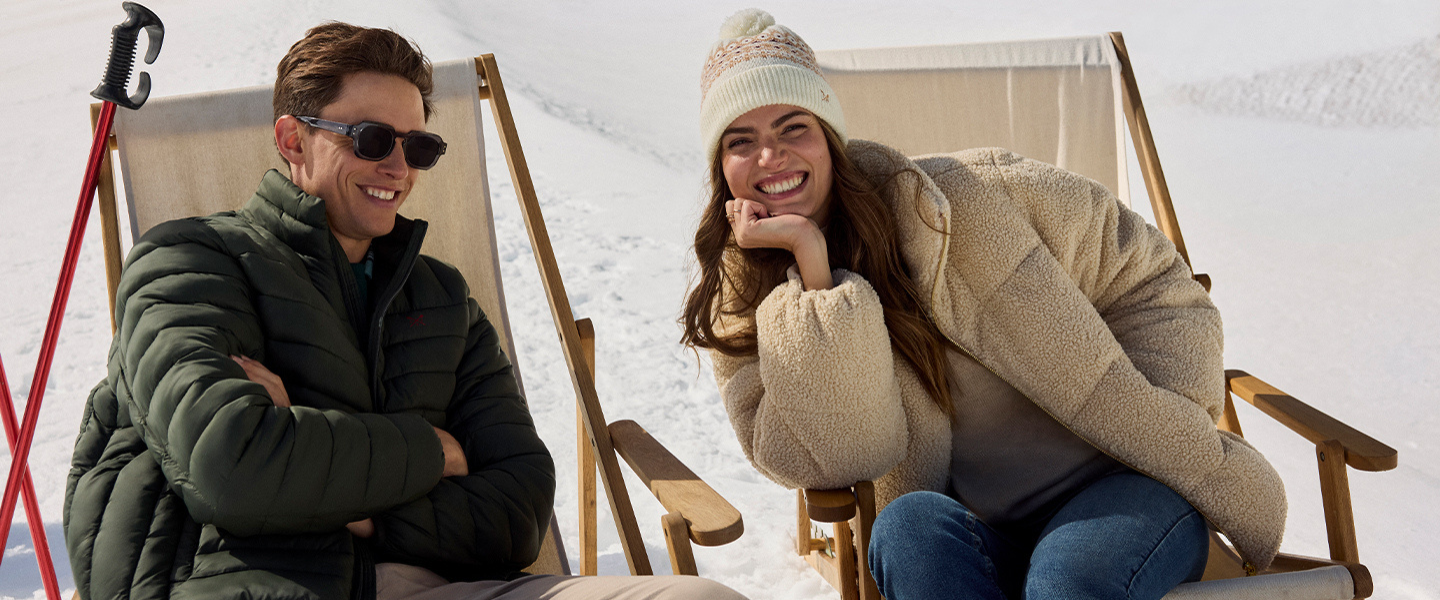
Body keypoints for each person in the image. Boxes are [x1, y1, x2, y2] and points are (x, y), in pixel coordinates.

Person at [65, 22, 743, 600]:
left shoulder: (443, 297)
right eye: (370, 139)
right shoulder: (189, 263)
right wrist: (435, 452)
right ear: (292, 140)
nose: (398, 166)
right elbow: (231, 469)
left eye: (417, 146)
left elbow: (518, 510)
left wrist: (340, 497)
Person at [682, 9, 1287, 600]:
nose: (772, 157)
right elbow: (846, 453)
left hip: (1125, 493)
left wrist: (1160, 413)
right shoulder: (745, 305)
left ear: (830, 140)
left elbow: (1158, 285)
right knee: (905, 529)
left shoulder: (973, 195)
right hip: (972, 533)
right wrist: (814, 274)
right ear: (721, 167)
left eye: (794, 128)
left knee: (1067, 581)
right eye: (743, 141)